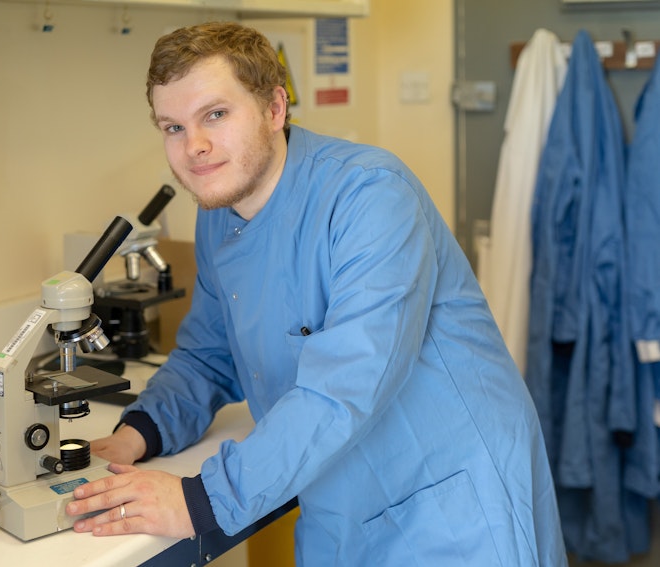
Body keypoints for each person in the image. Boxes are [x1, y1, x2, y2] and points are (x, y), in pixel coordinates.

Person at [65, 21, 567, 565]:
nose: (195, 147)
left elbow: (347, 383)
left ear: (275, 109)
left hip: (450, 504)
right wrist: (138, 434)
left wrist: (200, 500)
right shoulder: (219, 214)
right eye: (172, 126)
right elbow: (209, 355)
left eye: (216, 114)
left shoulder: (371, 196)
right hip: (340, 502)